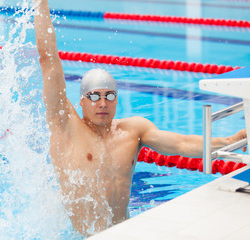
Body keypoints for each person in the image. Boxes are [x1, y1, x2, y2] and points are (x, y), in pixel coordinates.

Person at [33, 0, 247, 236]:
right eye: (94, 96)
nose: (102, 103)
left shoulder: (132, 131)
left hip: (127, 232)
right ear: (81, 101)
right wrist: (40, 3)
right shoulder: (66, 127)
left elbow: (181, 144)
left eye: (109, 95)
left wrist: (230, 140)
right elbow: (49, 61)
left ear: (117, 100)